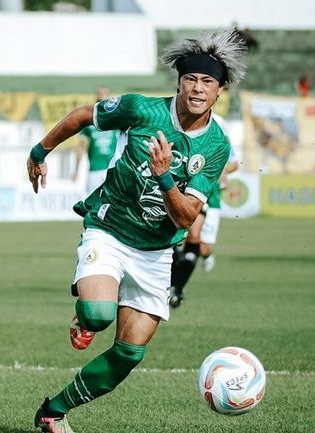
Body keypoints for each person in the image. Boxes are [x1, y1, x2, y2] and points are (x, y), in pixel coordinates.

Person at [26, 28, 246, 433]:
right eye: (191, 79)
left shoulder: (216, 146)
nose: (198, 88)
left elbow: (185, 218)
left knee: (129, 353)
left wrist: (164, 178)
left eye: (208, 81)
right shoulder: (140, 109)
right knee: (97, 315)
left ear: (220, 90)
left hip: (157, 251)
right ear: (179, 82)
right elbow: (81, 116)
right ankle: (85, 321)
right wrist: (40, 151)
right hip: (108, 228)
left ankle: (53, 412)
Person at [169, 146, 239, 308]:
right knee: (177, 241)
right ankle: (176, 287)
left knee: (201, 244)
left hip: (208, 197)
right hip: (179, 192)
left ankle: (179, 285)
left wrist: (223, 170)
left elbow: (234, 164)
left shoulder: (218, 133)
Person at [71, 86, 119, 196]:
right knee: (93, 206)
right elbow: (81, 146)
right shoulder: (89, 122)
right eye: (99, 100)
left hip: (113, 170)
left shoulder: (116, 120)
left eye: (105, 100)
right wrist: (76, 169)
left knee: (113, 205)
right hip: (95, 171)